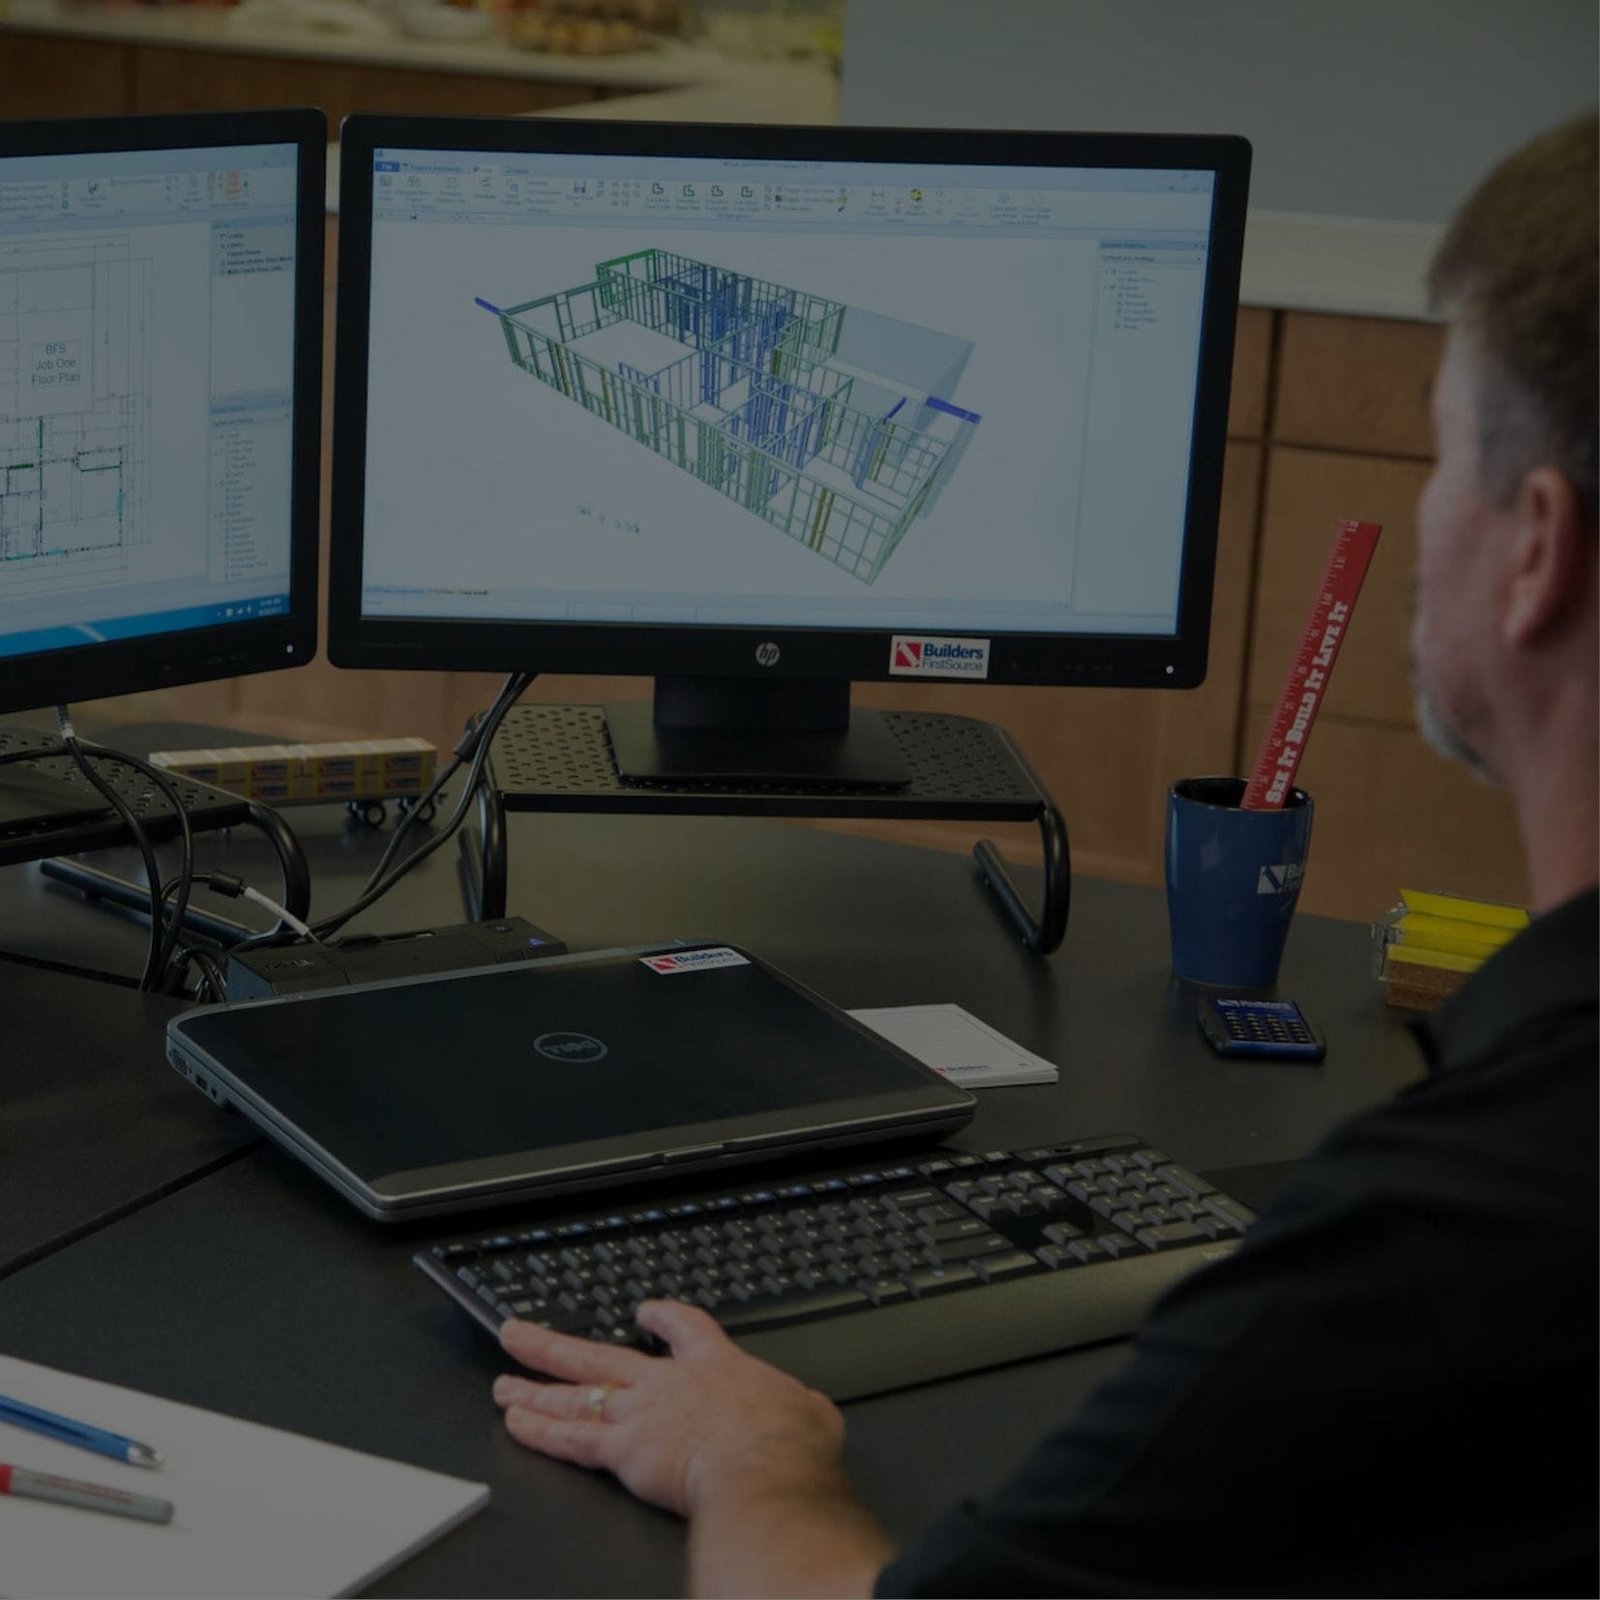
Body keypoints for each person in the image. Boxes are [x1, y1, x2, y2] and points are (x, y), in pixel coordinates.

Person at [489, 113, 1599, 1597]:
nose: (1422, 509)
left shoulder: (1455, 1240)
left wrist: (750, 1459)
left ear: (1538, 551)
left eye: (1443, 450)